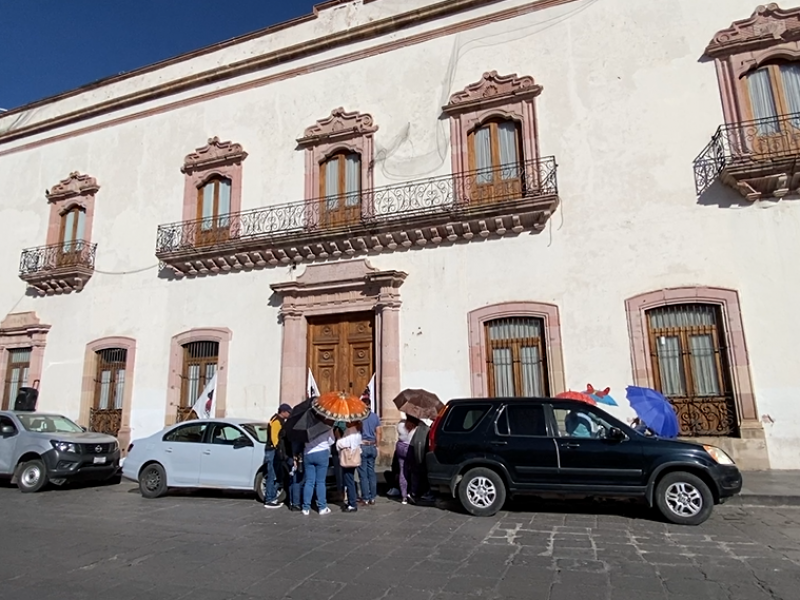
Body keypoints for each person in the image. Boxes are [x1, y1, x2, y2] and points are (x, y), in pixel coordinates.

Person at [302, 425, 335, 516]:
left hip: (308, 452)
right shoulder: (327, 426)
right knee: (320, 482)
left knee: (309, 481)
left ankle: (306, 507)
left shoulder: (306, 426)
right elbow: (332, 441)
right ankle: (322, 507)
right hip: (322, 452)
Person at [264, 403, 292, 508]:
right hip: (273, 451)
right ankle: (269, 499)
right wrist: (278, 449)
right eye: (288, 412)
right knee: (273, 474)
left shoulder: (279, 420)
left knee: (277, 474)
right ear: (283, 412)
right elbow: (274, 438)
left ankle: (272, 497)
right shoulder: (276, 421)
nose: (289, 414)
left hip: (273, 451)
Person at [357, 392, 381, 505]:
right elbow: (379, 432)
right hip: (372, 446)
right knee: (371, 472)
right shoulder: (375, 416)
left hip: (363, 445)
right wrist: (377, 445)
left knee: (363, 473)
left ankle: (365, 497)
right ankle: (373, 497)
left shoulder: (359, 417)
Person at [336, 422, 362, 512]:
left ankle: (352, 504)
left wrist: (338, 437)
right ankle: (352, 501)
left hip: (348, 459)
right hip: (353, 457)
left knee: (349, 480)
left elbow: (341, 444)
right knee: (350, 479)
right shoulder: (357, 431)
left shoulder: (350, 431)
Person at [396, 415, 418, 504]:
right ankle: (412, 492)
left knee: (402, 471)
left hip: (400, 446)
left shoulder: (401, 424)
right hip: (411, 448)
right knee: (414, 471)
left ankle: (403, 496)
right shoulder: (417, 426)